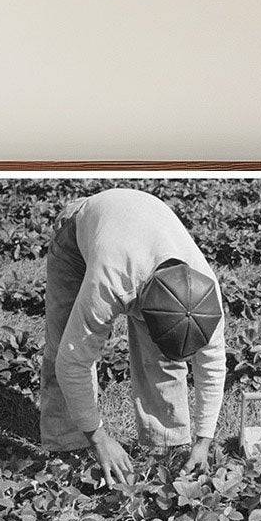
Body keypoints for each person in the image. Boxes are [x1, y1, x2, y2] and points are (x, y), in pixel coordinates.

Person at [40, 188, 226, 486]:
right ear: (139, 305)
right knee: (63, 345)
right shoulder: (112, 281)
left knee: (163, 359)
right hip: (77, 234)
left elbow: (213, 366)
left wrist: (203, 441)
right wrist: (100, 438)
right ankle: (69, 447)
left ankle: (165, 444)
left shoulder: (203, 293)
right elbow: (72, 362)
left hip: (137, 227)